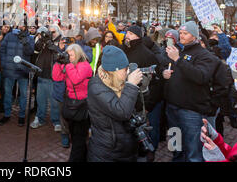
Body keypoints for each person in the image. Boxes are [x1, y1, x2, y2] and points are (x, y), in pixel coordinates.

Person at [163, 21, 218, 162]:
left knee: (193, 150)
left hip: (190, 111)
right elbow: (178, 73)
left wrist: (178, 59)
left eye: (185, 33)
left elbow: (200, 77)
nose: (181, 36)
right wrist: (166, 74)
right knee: (175, 146)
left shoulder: (205, 55)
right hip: (172, 108)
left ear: (194, 36)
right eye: (180, 33)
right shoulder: (180, 51)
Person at [87, 45, 144, 162]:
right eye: (125, 69)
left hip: (125, 147)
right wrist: (132, 85)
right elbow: (122, 112)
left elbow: (135, 106)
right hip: (108, 151)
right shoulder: (96, 87)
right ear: (114, 70)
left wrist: (144, 89)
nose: (128, 71)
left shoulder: (120, 81)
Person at [122, 25, 164, 161]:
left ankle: (149, 153)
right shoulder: (123, 51)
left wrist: (149, 106)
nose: (126, 35)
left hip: (144, 104)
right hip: (127, 101)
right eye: (126, 33)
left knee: (147, 133)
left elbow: (157, 84)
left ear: (138, 36)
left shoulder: (148, 55)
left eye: (130, 33)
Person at [52, 44, 93, 161]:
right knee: (75, 136)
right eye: (67, 54)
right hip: (71, 104)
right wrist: (58, 63)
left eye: (71, 55)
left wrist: (68, 64)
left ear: (78, 54)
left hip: (82, 105)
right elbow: (57, 77)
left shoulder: (84, 65)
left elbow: (75, 80)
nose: (68, 57)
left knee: (79, 138)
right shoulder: (70, 65)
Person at [0, 23, 35, 126]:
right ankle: (7, 114)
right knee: (8, 94)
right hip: (9, 70)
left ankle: (22, 116)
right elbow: (2, 49)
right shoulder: (9, 36)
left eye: (24, 24)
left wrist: (25, 42)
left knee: (23, 95)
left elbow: (30, 52)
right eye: (20, 24)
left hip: (22, 71)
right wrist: (4, 64)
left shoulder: (30, 37)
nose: (22, 26)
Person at [32, 24, 63, 130]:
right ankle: (40, 119)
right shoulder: (45, 40)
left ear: (58, 32)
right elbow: (36, 48)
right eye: (50, 31)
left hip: (53, 76)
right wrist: (42, 39)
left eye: (53, 32)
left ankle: (56, 121)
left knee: (54, 101)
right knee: (40, 100)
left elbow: (61, 55)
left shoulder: (61, 41)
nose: (51, 34)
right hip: (41, 74)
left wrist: (51, 44)